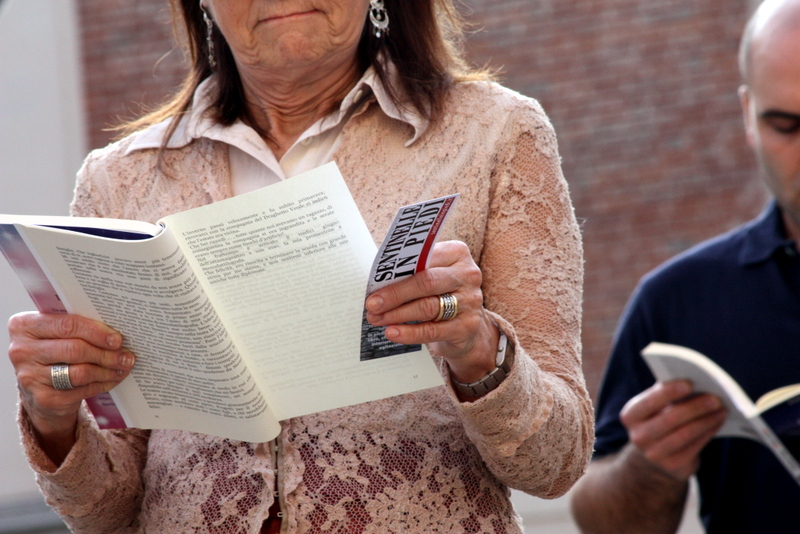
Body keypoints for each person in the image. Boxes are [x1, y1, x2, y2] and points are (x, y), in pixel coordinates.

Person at [7, 0, 593, 532]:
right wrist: (53, 417)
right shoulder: (119, 181)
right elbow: (107, 512)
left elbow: (556, 464)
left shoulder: (494, 133)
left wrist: (476, 348)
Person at [570, 0, 800, 532]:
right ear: (748, 115)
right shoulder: (678, 299)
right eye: (787, 125)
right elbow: (603, 522)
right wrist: (651, 466)